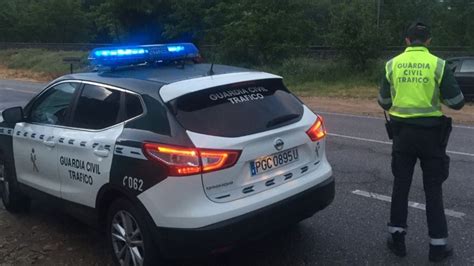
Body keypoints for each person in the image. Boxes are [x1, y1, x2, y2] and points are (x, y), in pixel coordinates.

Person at [378, 21, 464, 262]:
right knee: (433, 189)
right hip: (431, 136)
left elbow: (384, 101)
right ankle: (438, 246)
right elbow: (457, 101)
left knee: (401, 185)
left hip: (402, 135)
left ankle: (397, 240)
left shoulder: (392, 64)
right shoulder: (438, 64)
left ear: (406, 40)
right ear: (428, 41)